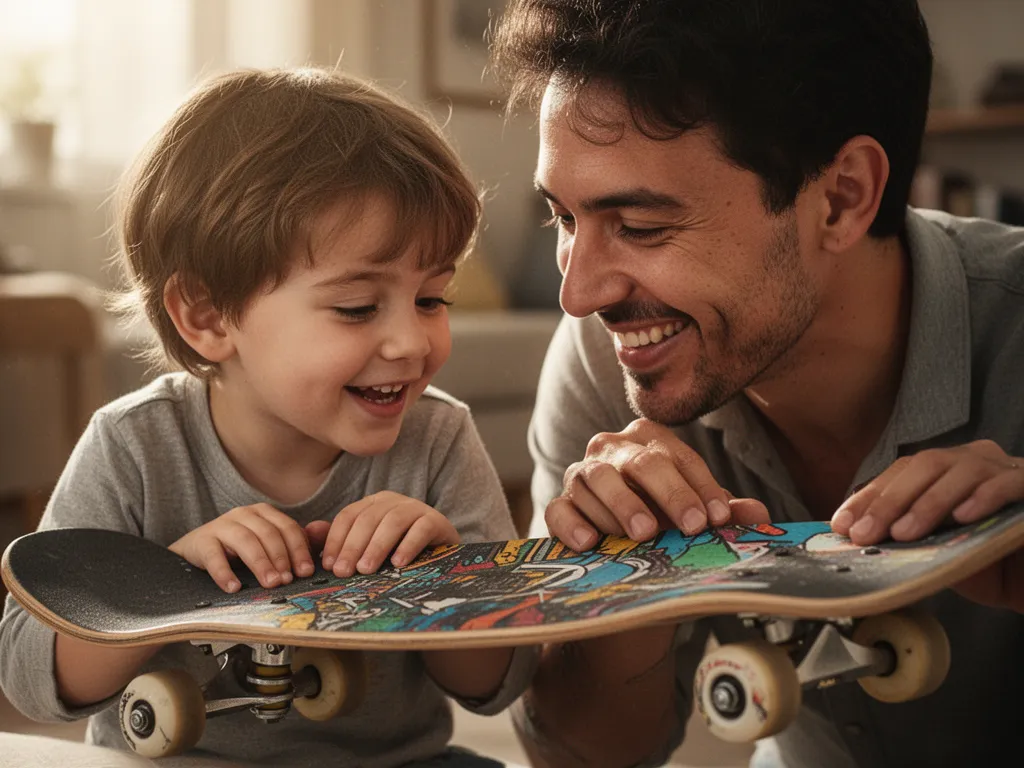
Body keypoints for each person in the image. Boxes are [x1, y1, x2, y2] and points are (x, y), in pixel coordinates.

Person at [490, 1, 1024, 766]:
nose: (579, 295)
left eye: (640, 227)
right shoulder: (607, 364)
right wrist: (621, 593)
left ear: (841, 196)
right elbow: (579, 758)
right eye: (564, 220)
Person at [0, 67, 535, 768]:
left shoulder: (437, 440)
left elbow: (498, 684)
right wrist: (156, 590)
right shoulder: (134, 447)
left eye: (433, 299)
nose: (413, 342)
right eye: (357, 307)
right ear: (206, 316)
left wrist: (446, 575)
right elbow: (30, 676)